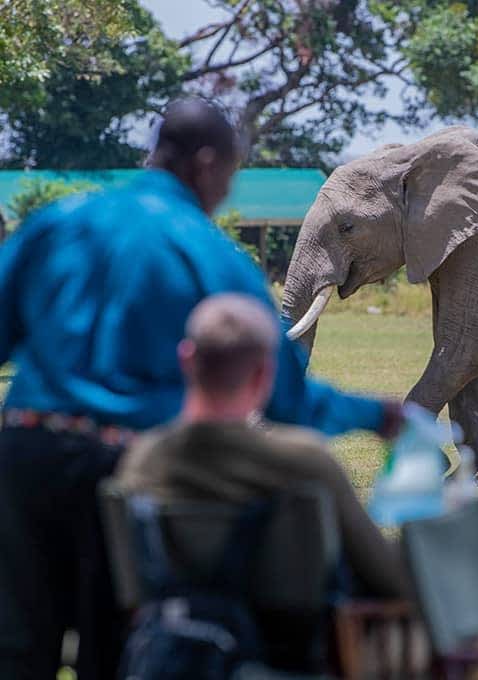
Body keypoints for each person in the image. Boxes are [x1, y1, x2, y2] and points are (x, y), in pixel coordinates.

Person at [0, 97, 402, 680]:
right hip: (123, 469)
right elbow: (283, 395)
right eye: (231, 175)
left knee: (16, 652)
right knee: (112, 652)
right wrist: (373, 414)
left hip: (20, 456)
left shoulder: (57, 224)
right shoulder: (211, 256)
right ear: (209, 164)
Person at [116, 292, 409, 596]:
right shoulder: (306, 461)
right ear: (264, 374)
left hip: (164, 634)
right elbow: (388, 577)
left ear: (186, 360)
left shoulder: (142, 460)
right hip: (288, 641)